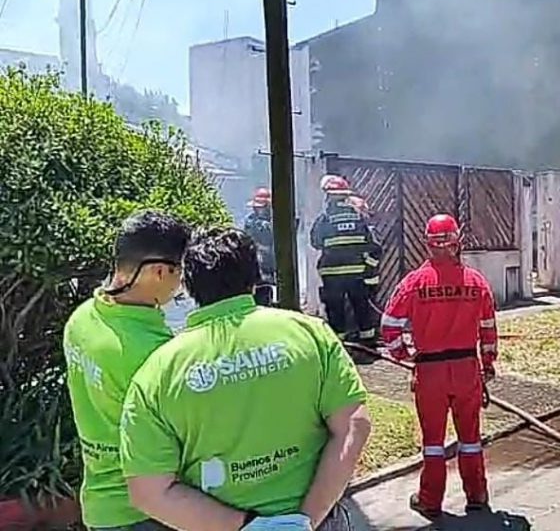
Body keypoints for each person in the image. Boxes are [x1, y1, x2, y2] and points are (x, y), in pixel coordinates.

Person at [119, 227, 372, 531]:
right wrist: (304, 521)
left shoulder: (156, 374)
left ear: (187, 285)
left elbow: (149, 492)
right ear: (255, 277)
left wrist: (248, 526)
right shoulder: (310, 333)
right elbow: (353, 426)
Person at [62, 210, 191, 531]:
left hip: (101, 507)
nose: (182, 285)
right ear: (160, 271)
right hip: (149, 514)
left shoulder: (82, 319)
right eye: (181, 273)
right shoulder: (153, 351)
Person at [380, 214, 498, 520]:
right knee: (470, 438)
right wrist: (487, 364)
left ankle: (430, 500)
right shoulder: (476, 282)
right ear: (457, 241)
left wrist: (403, 356)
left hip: (429, 371)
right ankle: (477, 495)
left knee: (433, 442)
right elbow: (488, 328)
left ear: (427, 244)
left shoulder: (414, 283)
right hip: (466, 369)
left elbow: (389, 325)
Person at [310, 175, 381, 344]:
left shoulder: (324, 220)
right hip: (357, 274)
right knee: (362, 307)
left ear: (328, 197)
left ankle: (338, 343)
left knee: (335, 309)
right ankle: (368, 341)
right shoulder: (359, 218)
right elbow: (374, 246)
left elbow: (315, 243)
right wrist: (368, 268)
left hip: (331, 274)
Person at [243, 188, 275, 306]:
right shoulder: (251, 221)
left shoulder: (276, 220)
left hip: (272, 266)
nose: (258, 209)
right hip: (256, 267)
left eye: (262, 206)